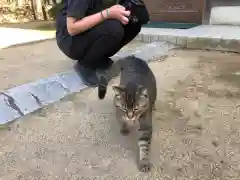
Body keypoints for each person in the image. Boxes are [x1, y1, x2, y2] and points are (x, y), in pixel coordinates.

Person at [56, 0, 142, 87]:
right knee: (113, 29)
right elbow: (72, 28)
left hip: (89, 31)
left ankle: (99, 58)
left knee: (134, 23)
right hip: (70, 41)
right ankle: (85, 65)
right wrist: (108, 13)